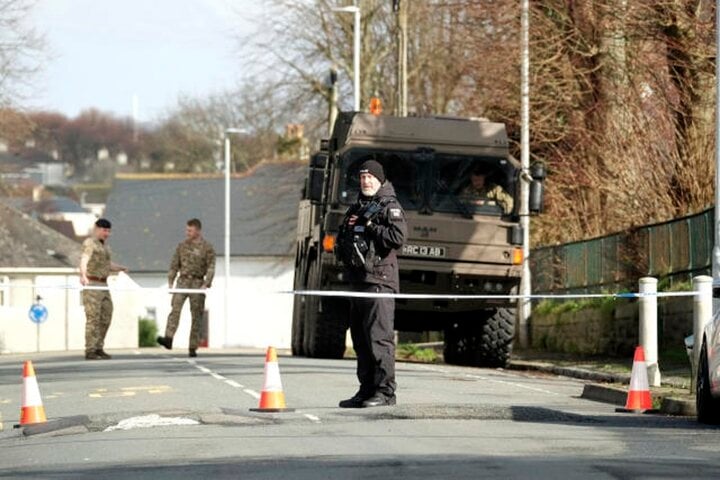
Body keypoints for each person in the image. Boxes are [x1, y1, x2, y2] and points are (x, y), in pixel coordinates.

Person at [335, 159, 407, 408]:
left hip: (380, 282)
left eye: (370, 178)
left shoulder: (389, 206)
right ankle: (366, 390)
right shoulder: (357, 207)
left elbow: (398, 238)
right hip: (359, 281)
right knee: (361, 340)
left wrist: (372, 226)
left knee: (379, 339)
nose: (366, 181)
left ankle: (386, 392)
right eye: (362, 177)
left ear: (379, 180)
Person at [157, 218, 216, 357]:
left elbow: (211, 266)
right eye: (187, 230)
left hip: (197, 283)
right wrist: (171, 281)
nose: (187, 232)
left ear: (198, 231)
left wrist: (206, 283)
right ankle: (168, 338)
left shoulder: (207, 247)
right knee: (175, 310)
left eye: (190, 230)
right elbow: (174, 264)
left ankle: (193, 346)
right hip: (182, 281)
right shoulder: (182, 246)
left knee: (196, 315)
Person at [79, 218, 128, 360]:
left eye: (108, 231)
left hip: (104, 285)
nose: (106, 233)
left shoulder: (105, 247)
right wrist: (83, 275)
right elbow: (84, 259)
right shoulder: (90, 244)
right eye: (104, 230)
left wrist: (120, 268)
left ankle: (99, 347)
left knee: (106, 316)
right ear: (97, 229)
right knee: (93, 318)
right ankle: (90, 349)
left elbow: (107, 264)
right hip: (93, 284)